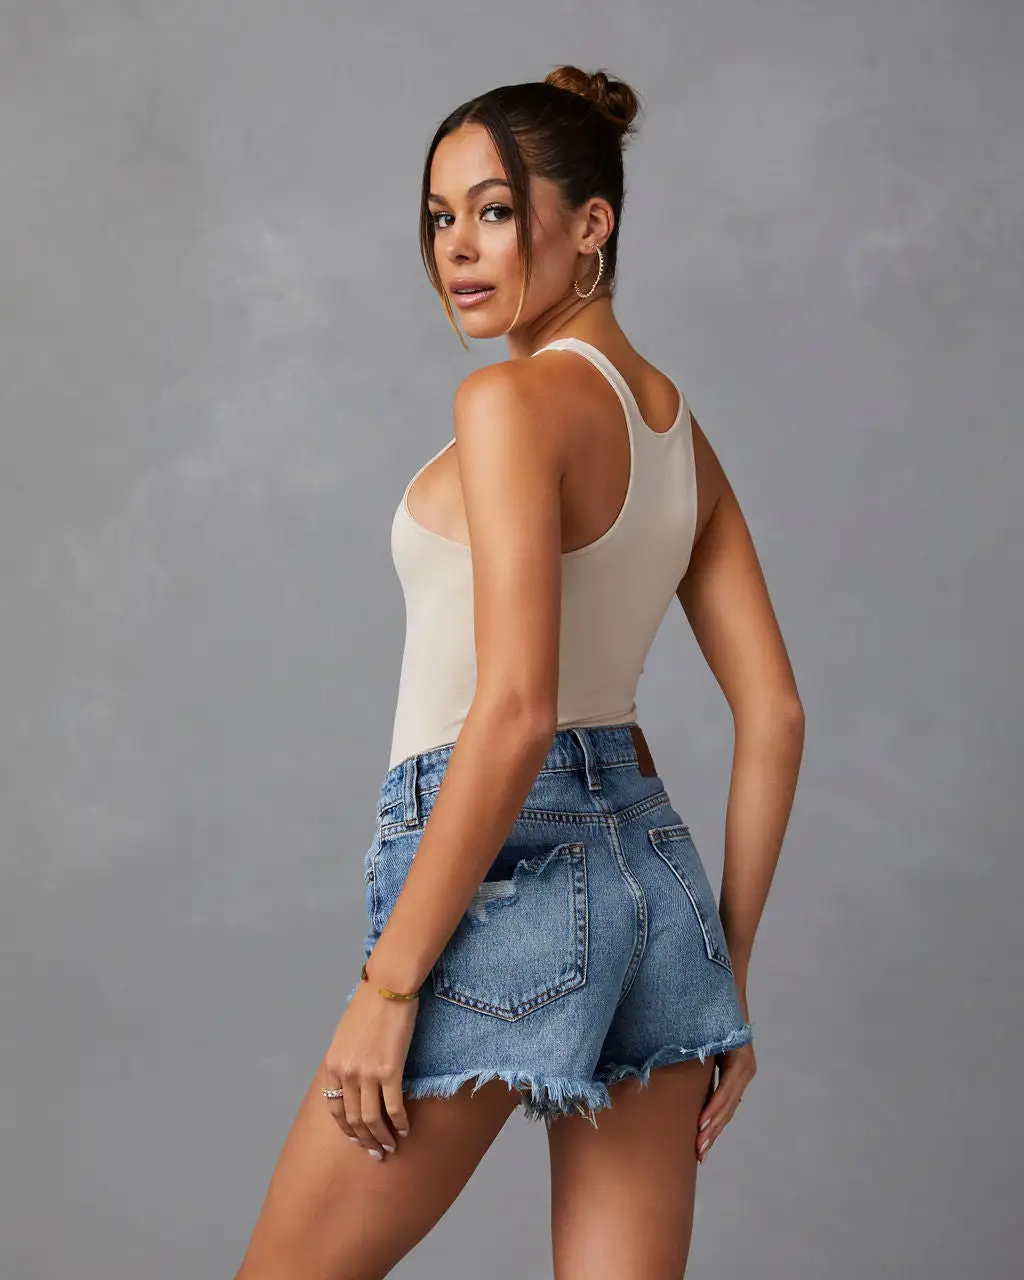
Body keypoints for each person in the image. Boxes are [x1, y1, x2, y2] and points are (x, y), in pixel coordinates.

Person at [235, 65, 804, 1280]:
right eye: (439, 216)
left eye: (494, 211)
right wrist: (727, 974)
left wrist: (390, 987)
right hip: (658, 888)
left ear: (591, 224)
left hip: (505, 867)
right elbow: (774, 711)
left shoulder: (509, 402)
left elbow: (515, 709)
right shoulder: (676, 433)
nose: (456, 247)